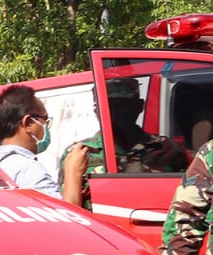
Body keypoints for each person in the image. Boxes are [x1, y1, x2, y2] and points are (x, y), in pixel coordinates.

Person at [62, 76, 191, 209]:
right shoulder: (79, 154)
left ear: (139, 107)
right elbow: (69, 210)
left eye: (124, 105)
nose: (117, 113)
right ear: (97, 112)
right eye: (110, 106)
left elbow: (189, 198)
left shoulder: (167, 149)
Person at [0, 84, 87, 204]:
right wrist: (72, 172)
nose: (46, 127)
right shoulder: (28, 169)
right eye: (45, 120)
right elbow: (67, 216)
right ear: (28, 123)